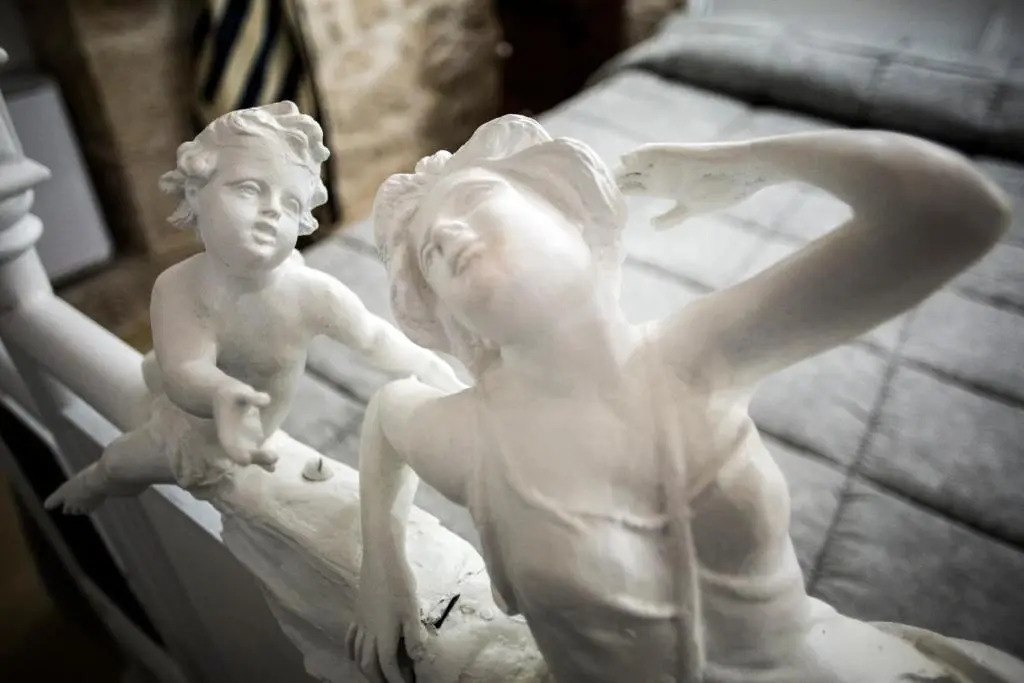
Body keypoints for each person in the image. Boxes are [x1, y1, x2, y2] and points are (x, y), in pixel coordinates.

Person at [347, 114, 1022, 682]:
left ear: (571, 213)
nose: (445, 236)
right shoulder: (474, 440)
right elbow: (387, 413)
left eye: (474, 200)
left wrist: (747, 163)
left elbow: (955, 213)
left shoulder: (697, 354)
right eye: (429, 254)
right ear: (457, 320)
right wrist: (384, 564)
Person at [46, 101, 461, 514]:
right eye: (249, 188)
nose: (272, 211)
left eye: (291, 204)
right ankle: (93, 481)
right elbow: (186, 370)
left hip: (244, 428)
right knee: (120, 461)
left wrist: (436, 372)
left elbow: (375, 339)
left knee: (154, 378)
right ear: (195, 192)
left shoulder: (311, 293)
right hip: (205, 426)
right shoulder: (180, 287)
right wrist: (222, 393)